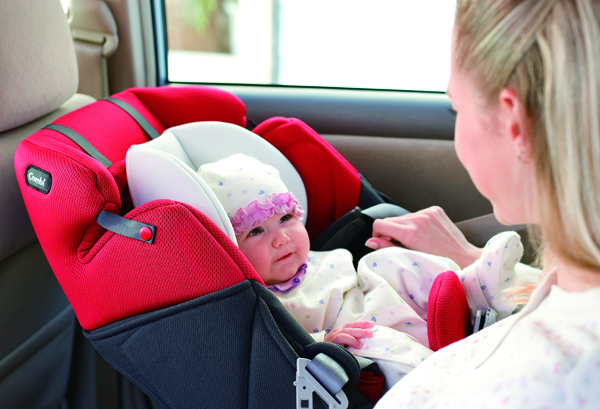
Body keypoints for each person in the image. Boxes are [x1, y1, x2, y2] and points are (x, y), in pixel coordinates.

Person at [367, 0, 600, 407]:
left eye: (455, 107)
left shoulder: (545, 386)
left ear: (515, 123)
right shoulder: (579, 281)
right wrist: (477, 262)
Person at [198, 153, 526, 390]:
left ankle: (476, 290)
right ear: (232, 250)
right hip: (359, 340)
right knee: (367, 341)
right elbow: (282, 348)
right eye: (256, 231)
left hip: (382, 302)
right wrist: (325, 342)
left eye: (286, 219)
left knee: (386, 262)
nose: (281, 238)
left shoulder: (319, 259)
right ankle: (438, 382)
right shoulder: (265, 304)